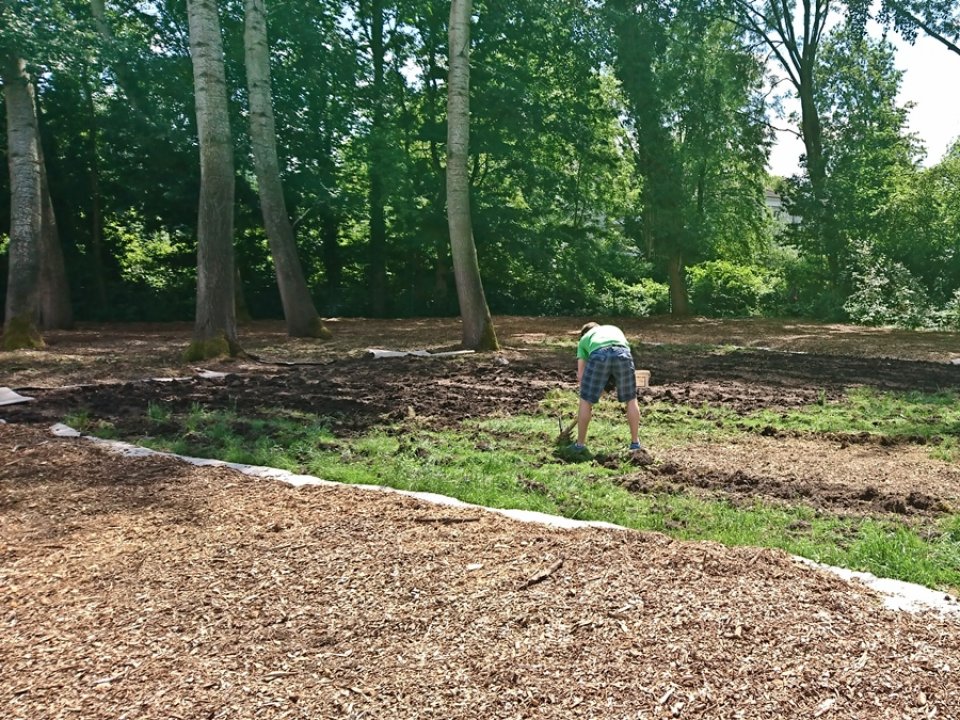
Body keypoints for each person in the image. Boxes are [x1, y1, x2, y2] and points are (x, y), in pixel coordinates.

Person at [568, 322, 642, 453]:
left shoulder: (584, 340)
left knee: (585, 400)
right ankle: (635, 444)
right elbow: (617, 356)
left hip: (599, 354)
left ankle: (579, 446)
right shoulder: (614, 329)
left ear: (584, 334)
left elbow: (581, 375)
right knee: (631, 398)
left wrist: (588, 395)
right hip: (623, 353)